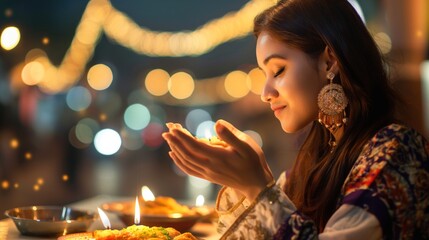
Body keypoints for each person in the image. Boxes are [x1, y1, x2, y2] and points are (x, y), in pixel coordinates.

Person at [162, 0, 429, 239]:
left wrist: (257, 187)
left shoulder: (396, 150)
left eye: (278, 70)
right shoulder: (316, 157)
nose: (266, 93)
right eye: (263, 74)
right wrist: (240, 181)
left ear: (329, 62)